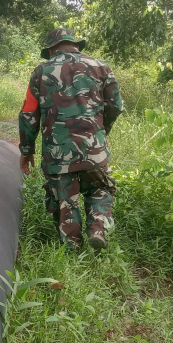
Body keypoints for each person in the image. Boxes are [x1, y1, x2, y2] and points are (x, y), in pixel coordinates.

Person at [18, 28, 124, 250]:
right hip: (94, 148)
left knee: (66, 199)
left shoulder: (41, 72)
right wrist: (101, 132)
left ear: (52, 49)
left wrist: (27, 151)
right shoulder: (101, 67)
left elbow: (29, 114)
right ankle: (98, 228)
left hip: (58, 152)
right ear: (75, 44)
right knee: (100, 189)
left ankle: (72, 246)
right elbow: (116, 106)